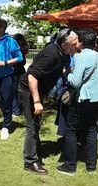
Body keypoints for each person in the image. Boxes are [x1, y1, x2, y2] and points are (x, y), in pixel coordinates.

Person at [19, 27, 78, 174]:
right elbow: (32, 76)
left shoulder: (64, 53)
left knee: (37, 123)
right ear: (64, 43)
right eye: (74, 43)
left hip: (40, 90)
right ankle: (30, 161)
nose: (77, 46)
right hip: (28, 90)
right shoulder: (51, 54)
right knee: (32, 125)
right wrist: (37, 101)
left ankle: (36, 148)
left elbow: (64, 70)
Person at [57, 29, 98, 175]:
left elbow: (76, 82)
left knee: (71, 130)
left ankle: (70, 166)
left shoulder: (81, 57)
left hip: (84, 98)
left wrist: (67, 73)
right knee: (91, 129)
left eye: (77, 40)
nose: (75, 42)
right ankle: (91, 166)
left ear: (82, 42)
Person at [12, 33, 29, 116]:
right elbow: (24, 62)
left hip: (14, 71)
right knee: (22, 90)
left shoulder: (15, 50)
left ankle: (16, 110)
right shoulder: (23, 49)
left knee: (14, 91)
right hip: (21, 71)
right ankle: (23, 107)